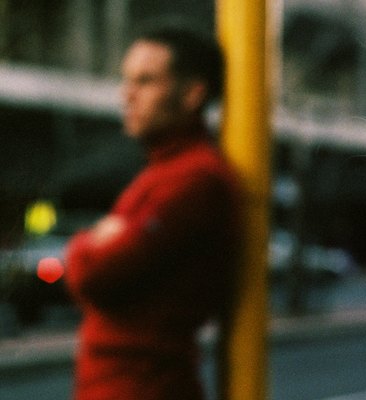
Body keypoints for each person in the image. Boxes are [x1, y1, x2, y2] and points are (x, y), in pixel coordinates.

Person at [64, 23, 243, 400]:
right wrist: (96, 241)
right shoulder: (164, 172)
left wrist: (84, 245)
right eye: (126, 80)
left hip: (143, 387)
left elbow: (92, 274)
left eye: (145, 81)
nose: (126, 94)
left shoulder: (194, 178)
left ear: (193, 93)